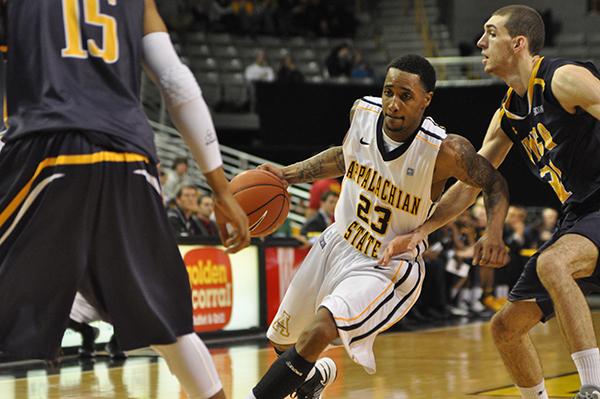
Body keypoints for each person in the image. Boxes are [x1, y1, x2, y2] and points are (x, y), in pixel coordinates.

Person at [0, 2, 250, 399]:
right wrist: (219, 187)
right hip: (129, 159)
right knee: (168, 325)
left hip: (51, 146)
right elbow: (175, 82)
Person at [246, 54, 510, 399]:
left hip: (386, 263)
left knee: (320, 330)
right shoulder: (363, 113)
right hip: (338, 240)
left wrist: (493, 232)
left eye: (405, 95)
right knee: (282, 341)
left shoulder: (444, 150)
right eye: (389, 92)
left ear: (426, 100)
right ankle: (313, 383)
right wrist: (287, 174)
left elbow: (493, 183)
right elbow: (343, 156)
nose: (393, 104)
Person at [384, 5, 600, 399]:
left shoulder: (563, 78)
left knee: (553, 263)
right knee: (505, 328)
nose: (480, 42)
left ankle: (592, 387)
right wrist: (421, 231)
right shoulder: (508, 115)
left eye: (490, 33)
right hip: (578, 216)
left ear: (518, 43)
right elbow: (471, 184)